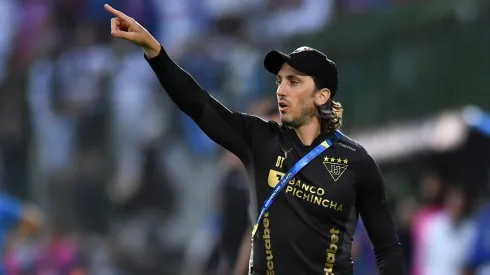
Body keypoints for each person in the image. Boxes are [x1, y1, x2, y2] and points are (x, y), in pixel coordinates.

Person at [104, 4, 405, 275]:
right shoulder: (261, 140)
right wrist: (154, 52)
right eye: (281, 81)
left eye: (294, 82)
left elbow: (387, 249)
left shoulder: (357, 162)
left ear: (321, 96)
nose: (282, 90)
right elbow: (197, 104)